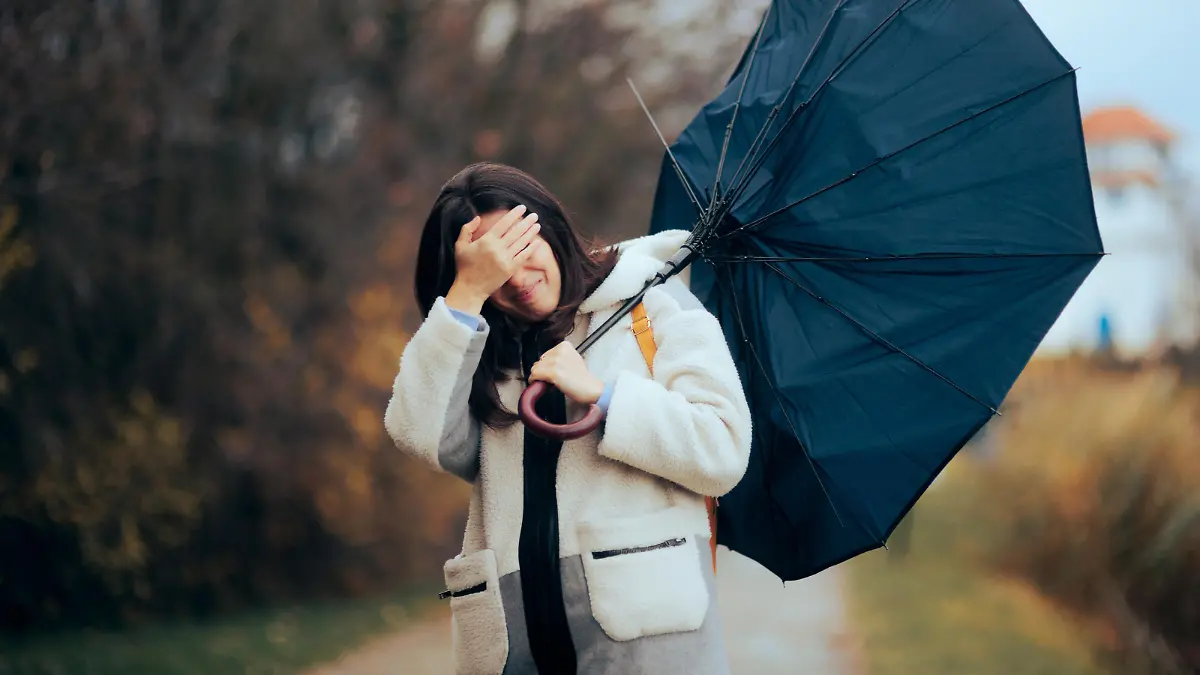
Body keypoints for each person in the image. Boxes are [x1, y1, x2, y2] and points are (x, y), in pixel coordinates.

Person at [384, 162, 752, 675]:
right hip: (514, 645)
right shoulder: (482, 349)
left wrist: (604, 396)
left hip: (642, 644)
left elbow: (723, 449)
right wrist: (465, 295)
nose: (517, 279)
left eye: (522, 247)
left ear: (551, 228)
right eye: (493, 269)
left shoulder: (654, 305)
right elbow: (416, 433)